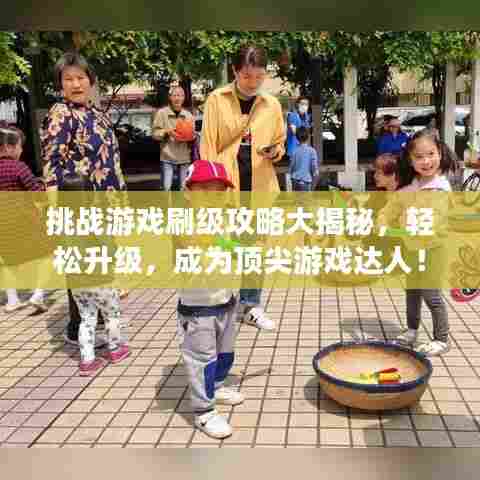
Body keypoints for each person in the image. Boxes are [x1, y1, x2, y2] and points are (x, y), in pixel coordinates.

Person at [41, 51, 128, 358]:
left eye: (81, 77)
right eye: (68, 79)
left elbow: (112, 162)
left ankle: (100, 320)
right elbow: (51, 163)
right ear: (60, 84)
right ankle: (77, 325)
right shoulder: (60, 113)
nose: (76, 84)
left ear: (91, 81)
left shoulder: (98, 114)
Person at [200, 44, 286, 331]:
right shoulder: (217, 99)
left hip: (260, 183)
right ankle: (220, 303)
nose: (253, 82)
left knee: (256, 248)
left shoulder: (271, 104)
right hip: (226, 184)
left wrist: (275, 151)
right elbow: (208, 146)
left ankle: (250, 305)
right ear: (235, 71)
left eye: (259, 76)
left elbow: (281, 142)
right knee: (224, 245)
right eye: (247, 76)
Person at [177, 159, 242, 439]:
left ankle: (216, 386)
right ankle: (204, 411)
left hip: (225, 300)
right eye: (205, 190)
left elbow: (227, 244)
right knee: (201, 358)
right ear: (188, 192)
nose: (213, 197)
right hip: (198, 307)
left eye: (219, 191)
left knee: (225, 353)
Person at [378, 129, 454, 356]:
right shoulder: (410, 187)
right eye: (419, 157)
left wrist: (415, 226)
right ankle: (412, 330)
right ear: (410, 160)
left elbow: (436, 218)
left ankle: (441, 339)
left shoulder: (441, 187)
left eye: (430, 154)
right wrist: (382, 222)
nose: (426, 161)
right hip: (412, 249)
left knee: (431, 295)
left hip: (433, 250)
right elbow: (390, 209)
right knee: (412, 291)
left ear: (440, 153)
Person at [0, 122, 49, 313]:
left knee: (8, 263)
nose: (21, 150)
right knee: (47, 256)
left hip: (3, 226)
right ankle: (38, 295)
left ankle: (12, 300)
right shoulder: (19, 167)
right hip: (26, 222)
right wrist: (43, 186)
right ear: (8, 147)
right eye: (20, 146)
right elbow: (38, 194)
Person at [152, 86, 195, 192]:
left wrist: (190, 137)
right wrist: (167, 132)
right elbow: (155, 134)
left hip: (184, 157)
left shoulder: (188, 115)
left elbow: (193, 135)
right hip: (167, 156)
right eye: (175, 95)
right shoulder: (162, 113)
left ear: (184, 98)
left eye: (180, 95)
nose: (177, 98)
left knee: (184, 188)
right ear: (170, 97)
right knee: (166, 188)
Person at [288, 126, 319, 191]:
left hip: (295, 181)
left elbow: (291, 167)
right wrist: (314, 184)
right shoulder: (312, 151)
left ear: (297, 138)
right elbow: (315, 169)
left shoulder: (294, 151)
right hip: (306, 181)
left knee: (296, 198)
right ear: (308, 137)